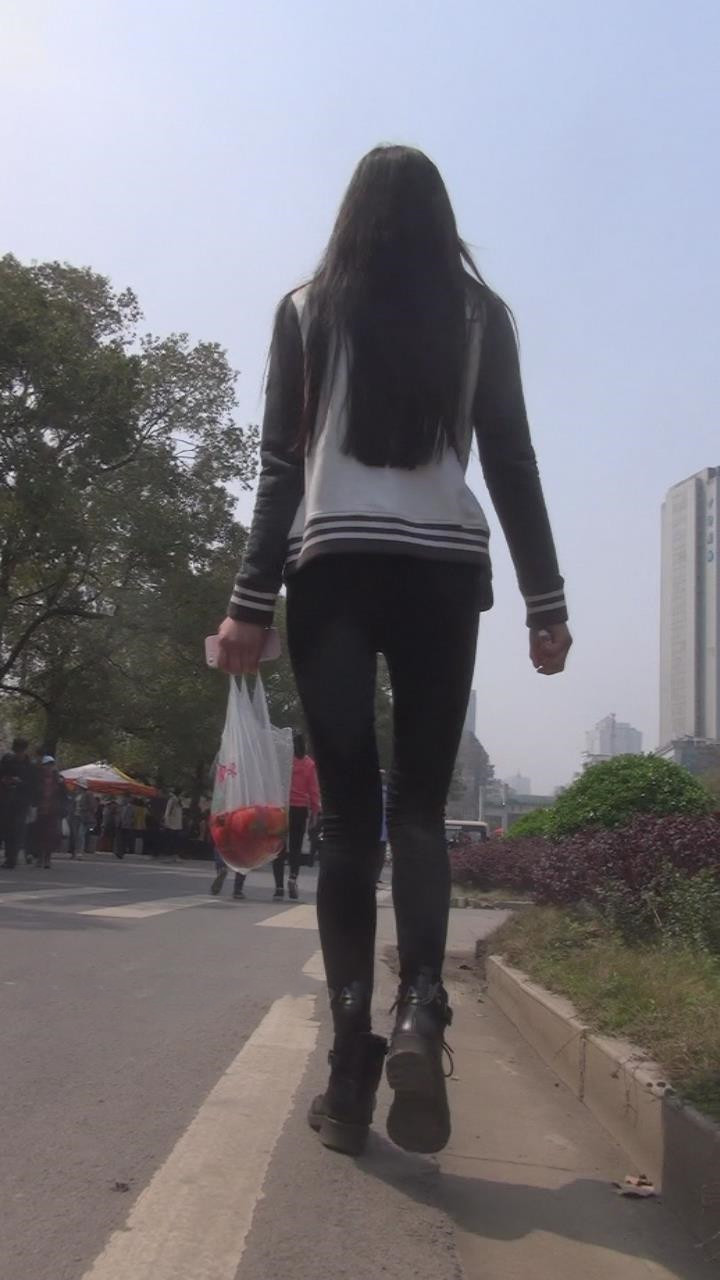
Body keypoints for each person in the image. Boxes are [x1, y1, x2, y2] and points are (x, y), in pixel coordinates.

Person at [217, 145, 571, 1158]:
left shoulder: (306, 307)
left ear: (350, 216)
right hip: (442, 576)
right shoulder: (481, 315)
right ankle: (421, 1008)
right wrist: (545, 601)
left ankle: (347, 1065)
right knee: (418, 810)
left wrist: (249, 603)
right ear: (442, 220)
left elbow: (281, 464)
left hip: (332, 572)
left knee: (346, 822)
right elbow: (512, 455)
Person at [272, 732, 320, 901]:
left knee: (279, 847)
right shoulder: (309, 764)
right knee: (296, 846)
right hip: (300, 809)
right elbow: (314, 790)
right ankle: (293, 877)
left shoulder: (283, 762)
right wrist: (315, 812)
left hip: (282, 808)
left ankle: (279, 888)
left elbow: (275, 783)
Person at [0, 737, 37, 870]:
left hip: (21, 802)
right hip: (5, 799)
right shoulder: (7, 760)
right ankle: (9, 856)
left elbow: (33, 784)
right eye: (17, 750)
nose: (18, 753)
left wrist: (20, 783)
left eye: (20, 750)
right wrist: (6, 780)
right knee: (5, 828)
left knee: (16, 830)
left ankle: (11, 858)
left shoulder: (30, 765)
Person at [34, 756, 67, 870]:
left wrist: (63, 810)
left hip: (53, 811)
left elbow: (64, 795)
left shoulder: (59, 780)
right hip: (40, 810)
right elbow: (33, 793)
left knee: (51, 835)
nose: (49, 767)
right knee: (39, 834)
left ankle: (47, 858)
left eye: (51, 765)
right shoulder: (38, 779)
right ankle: (40, 857)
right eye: (46, 765)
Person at [71, 786, 97, 859]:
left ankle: (80, 852)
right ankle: (75, 852)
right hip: (75, 816)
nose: (77, 788)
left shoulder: (88, 794)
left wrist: (83, 808)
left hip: (84, 817)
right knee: (75, 835)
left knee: (81, 834)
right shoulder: (76, 794)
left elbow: (92, 806)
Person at [163, 788, 184, 861]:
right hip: (172, 824)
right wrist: (166, 822)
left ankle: (174, 855)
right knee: (171, 840)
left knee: (175, 840)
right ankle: (169, 855)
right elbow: (167, 811)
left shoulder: (178, 800)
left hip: (177, 824)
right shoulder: (172, 800)